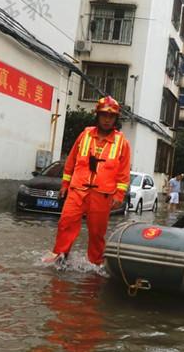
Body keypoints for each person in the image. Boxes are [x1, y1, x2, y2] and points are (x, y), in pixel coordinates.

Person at [44, 96, 130, 268]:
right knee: (65, 222)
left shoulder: (122, 143)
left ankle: (95, 263)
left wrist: (119, 195)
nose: (107, 119)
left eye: (111, 116)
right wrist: (65, 185)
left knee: (97, 232)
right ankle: (60, 255)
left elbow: (123, 172)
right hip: (78, 190)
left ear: (115, 119)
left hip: (102, 195)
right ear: (97, 116)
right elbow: (71, 161)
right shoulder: (84, 135)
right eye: (104, 115)